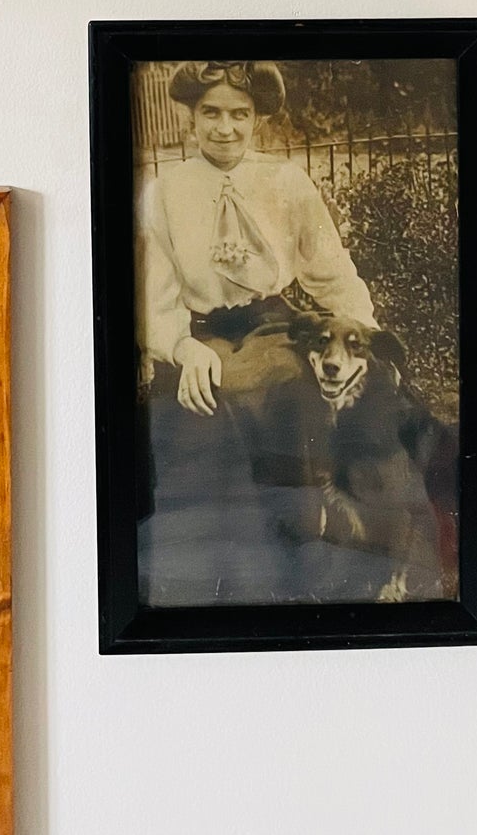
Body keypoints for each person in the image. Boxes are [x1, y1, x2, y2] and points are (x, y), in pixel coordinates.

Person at [136, 61, 378, 603]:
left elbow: (330, 270)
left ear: (257, 121)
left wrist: (370, 336)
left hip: (275, 326)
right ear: (190, 119)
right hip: (202, 332)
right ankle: (208, 584)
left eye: (239, 115)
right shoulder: (164, 192)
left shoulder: (287, 182)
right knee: (198, 406)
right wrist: (181, 346)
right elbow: (154, 290)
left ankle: (292, 578)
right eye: (211, 113)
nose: (225, 128)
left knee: (292, 391)